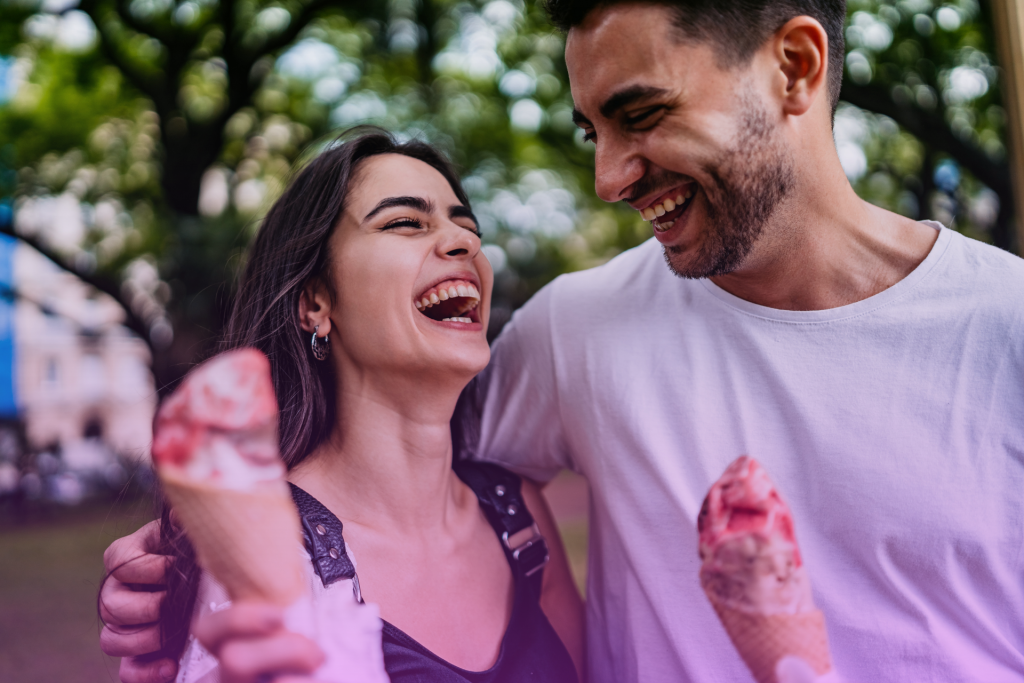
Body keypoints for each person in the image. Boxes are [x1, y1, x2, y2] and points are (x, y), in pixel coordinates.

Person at [104, 1, 1024, 681]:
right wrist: (186, 557)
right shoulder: (579, 330)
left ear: (794, 66)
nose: (608, 177)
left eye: (641, 113)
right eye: (591, 130)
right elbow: (385, 447)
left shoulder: (1007, 326)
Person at [100, 129, 584, 683]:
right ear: (315, 303)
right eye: (405, 222)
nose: (463, 243)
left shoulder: (517, 516)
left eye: (468, 227)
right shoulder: (262, 552)